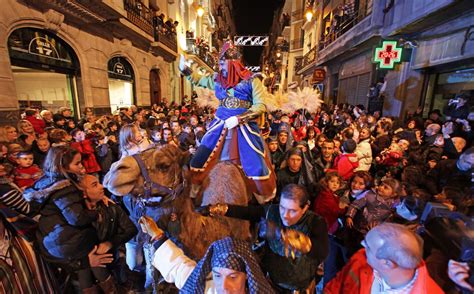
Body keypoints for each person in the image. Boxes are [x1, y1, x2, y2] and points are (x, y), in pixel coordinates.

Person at [179, 40, 276, 203]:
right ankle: (194, 193)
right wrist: (186, 69)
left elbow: (260, 106)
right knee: (199, 158)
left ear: (233, 64)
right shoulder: (217, 79)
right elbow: (198, 79)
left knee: (257, 165)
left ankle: (263, 200)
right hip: (220, 123)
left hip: (245, 126)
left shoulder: (253, 80)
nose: (220, 67)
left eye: (223, 63)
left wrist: (240, 118)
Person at [197, 184, 329, 292]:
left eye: (293, 211)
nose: (285, 215)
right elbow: (247, 212)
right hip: (271, 283)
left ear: (305, 207)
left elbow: (322, 251)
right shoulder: (272, 212)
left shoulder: (316, 222)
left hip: (299, 288)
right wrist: (215, 209)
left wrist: (292, 238)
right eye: (283, 208)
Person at [139, 217, 275, 293]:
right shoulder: (204, 288)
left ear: (246, 275)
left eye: (232, 277)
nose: (224, 286)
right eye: (217, 276)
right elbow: (178, 267)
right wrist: (156, 234)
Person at [325, 223, 443, 293]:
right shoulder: (361, 259)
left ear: (387, 263)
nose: (362, 246)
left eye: (368, 246)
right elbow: (335, 286)